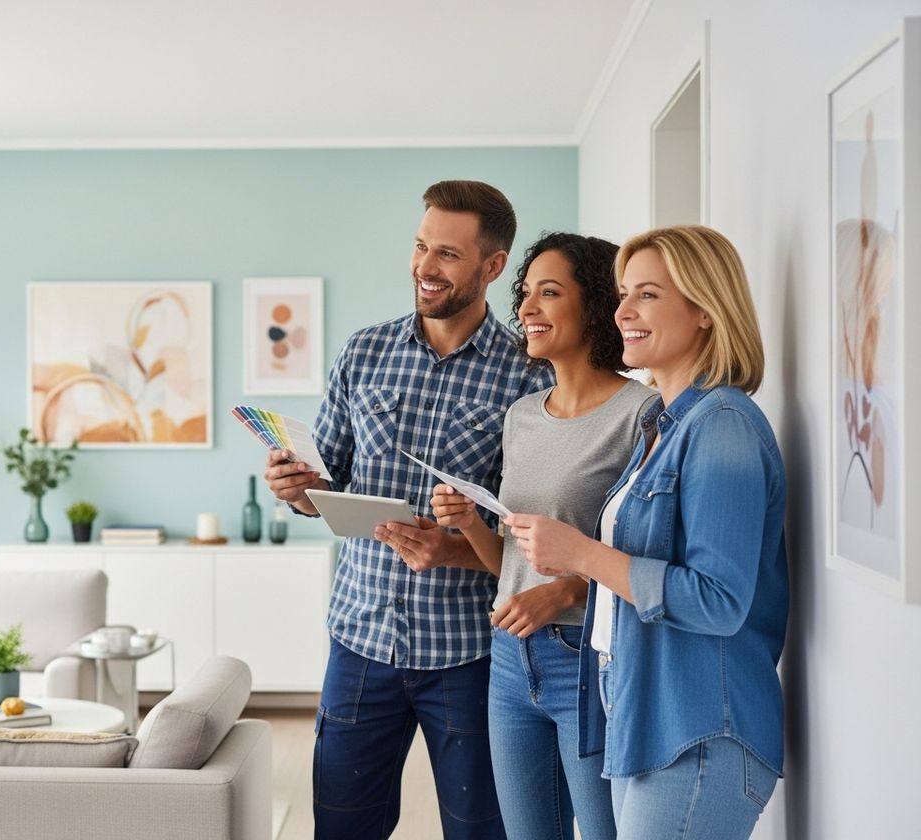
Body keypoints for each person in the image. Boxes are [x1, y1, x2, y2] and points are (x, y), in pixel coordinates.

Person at [263, 180, 552, 839]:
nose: (425, 267)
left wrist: (455, 547)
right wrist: (296, 488)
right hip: (360, 640)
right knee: (341, 828)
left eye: (448, 254)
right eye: (421, 246)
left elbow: (536, 534)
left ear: (492, 266)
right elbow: (325, 481)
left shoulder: (530, 376)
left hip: (470, 653)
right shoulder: (363, 352)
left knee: (481, 829)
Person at [507, 225, 789, 839]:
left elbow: (718, 600)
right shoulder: (666, 425)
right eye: (623, 294)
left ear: (706, 312)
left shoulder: (722, 426)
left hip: (698, 735)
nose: (624, 311)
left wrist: (582, 555)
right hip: (649, 721)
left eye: (648, 295)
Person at [430, 232, 654, 840]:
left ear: (599, 305)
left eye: (548, 294)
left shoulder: (643, 413)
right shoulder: (522, 415)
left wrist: (566, 593)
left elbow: (653, 559)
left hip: (588, 660)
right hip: (508, 659)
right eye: (525, 294)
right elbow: (511, 561)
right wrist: (469, 521)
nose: (525, 308)